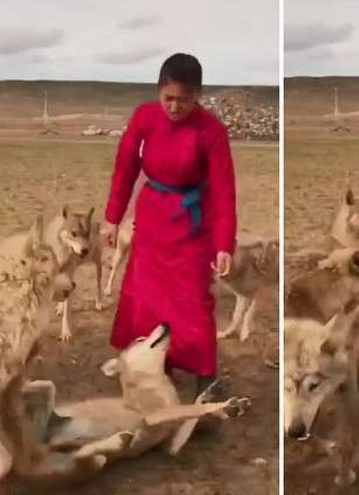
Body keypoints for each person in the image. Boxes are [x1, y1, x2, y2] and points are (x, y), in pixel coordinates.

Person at [103, 53, 237, 397]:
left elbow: (224, 191)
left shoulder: (211, 131)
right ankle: (157, 364)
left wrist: (224, 244)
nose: (175, 107)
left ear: (199, 95)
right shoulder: (144, 117)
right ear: (158, 90)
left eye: (185, 99)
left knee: (193, 301)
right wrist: (112, 218)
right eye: (169, 98)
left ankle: (206, 377)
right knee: (148, 300)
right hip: (151, 222)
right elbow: (125, 169)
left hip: (192, 227)